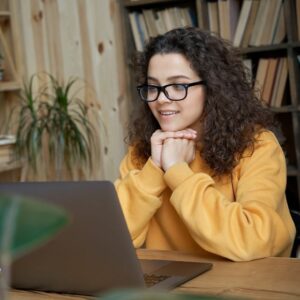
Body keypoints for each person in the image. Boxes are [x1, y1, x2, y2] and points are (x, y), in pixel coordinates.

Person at [114, 27, 296, 261]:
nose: (160, 99)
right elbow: (112, 239)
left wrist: (177, 171)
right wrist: (154, 169)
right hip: (170, 289)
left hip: (243, 287)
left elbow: (253, 240)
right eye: (153, 87)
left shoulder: (257, 146)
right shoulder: (143, 152)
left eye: (178, 86)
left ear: (212, 88)